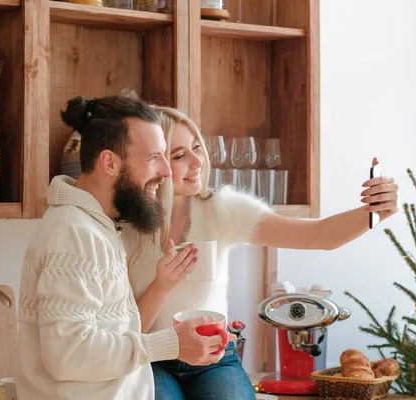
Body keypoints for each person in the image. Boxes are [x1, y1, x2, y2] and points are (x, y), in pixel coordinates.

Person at [120, 107, 400, 400]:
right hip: (152, 357)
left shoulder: (220, 208)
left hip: (215, 360)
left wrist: (375, 213)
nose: (197, 162)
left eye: (196, 148)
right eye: (179, 156)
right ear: (153, 162)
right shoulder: (124, 225)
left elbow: (320, 235)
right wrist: (161, 286)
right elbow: (122, 328)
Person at [16, 96, 230, 400]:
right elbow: (68, 355)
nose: (167, 171)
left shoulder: (97, 227)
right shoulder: (75, 234)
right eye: (154, 157)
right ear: (109, 162)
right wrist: (170, 343)